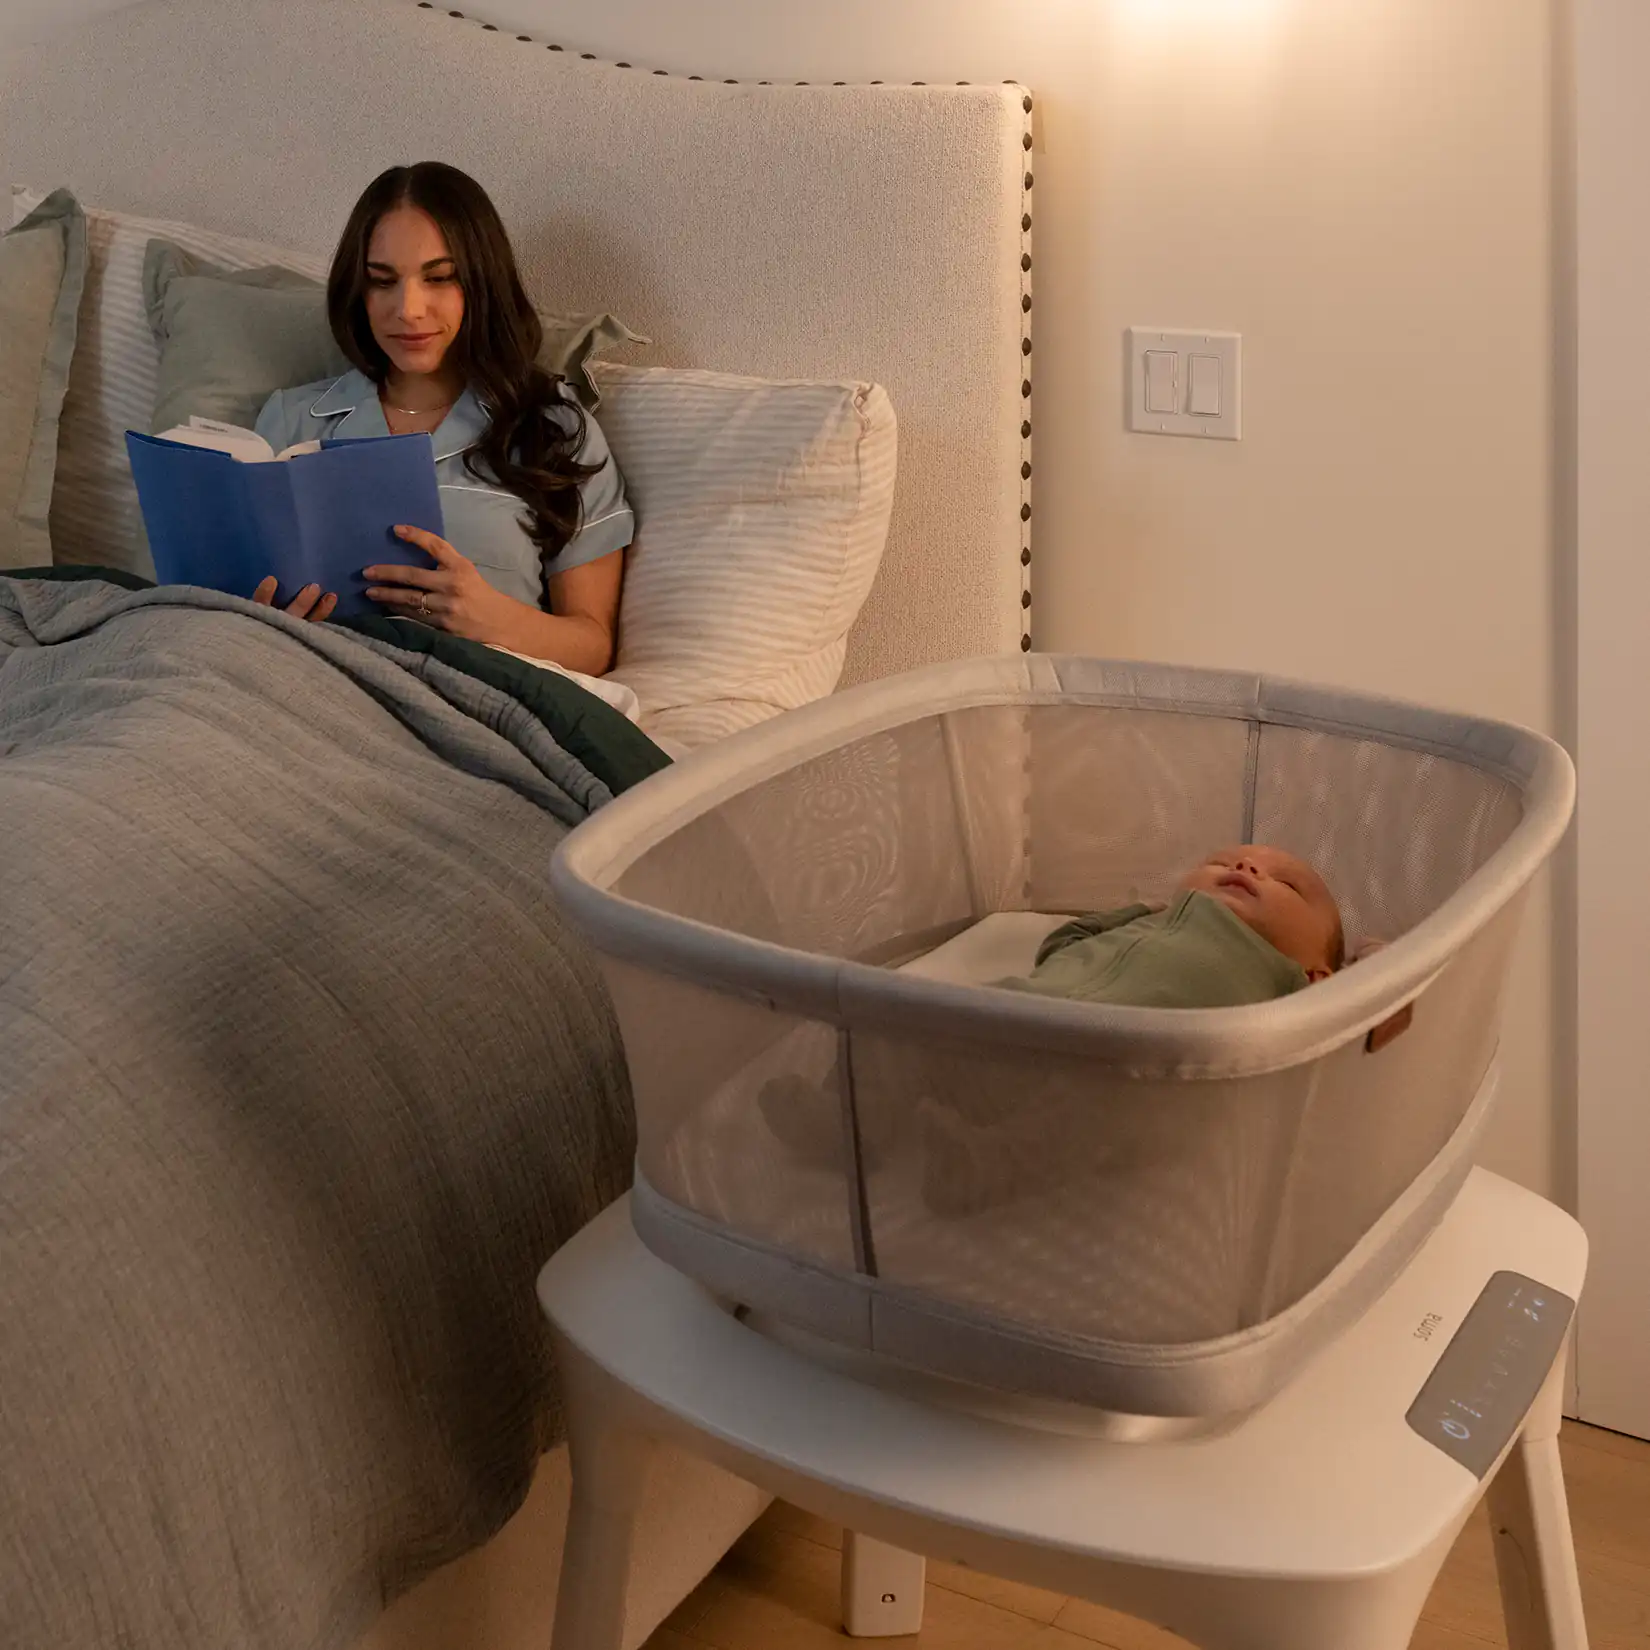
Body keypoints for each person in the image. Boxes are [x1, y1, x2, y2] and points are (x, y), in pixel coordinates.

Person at [251, 162, 632, 675]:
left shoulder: (553, 429)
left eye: (440, 278)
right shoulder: (291, 419)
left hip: (459, 705)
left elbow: (592, 648)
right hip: (289, 684)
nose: (408, 309)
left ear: (480, 284)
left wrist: (488, 616)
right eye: (381, 282)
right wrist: (262, 617)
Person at [999, 844, 1345, 1008]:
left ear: (1316, 975)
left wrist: (1375, 963)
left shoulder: (1288, 986)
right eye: (1220, 862)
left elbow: (1346, 1017)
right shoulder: (1146, 923)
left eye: (1287, 884)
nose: (1244, 865)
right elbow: (1062, 944)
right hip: (1010, 1008)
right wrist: (1144, 911)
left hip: (1131, 1060)